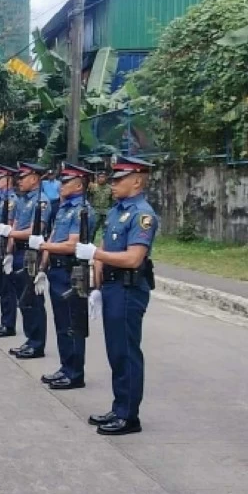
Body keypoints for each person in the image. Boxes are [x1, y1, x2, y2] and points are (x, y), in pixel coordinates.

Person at [75, 156, 159, 436]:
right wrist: (96, 287)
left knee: (126, 352)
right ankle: (119, 406)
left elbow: (134, 258)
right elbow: (103, 245)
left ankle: (129, 416)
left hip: (128, 288)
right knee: (115, 351)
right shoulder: (116, 211)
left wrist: (96, 255)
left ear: (136, 180)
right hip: (111, 288)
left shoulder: (142, 215)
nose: (112, 183)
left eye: (118, 179)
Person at [29, 163, 95, 390]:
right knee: (61, 323)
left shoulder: (82, 210)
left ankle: (76, 373)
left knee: (73, 324)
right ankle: (65, 367)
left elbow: (72, 245)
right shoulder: (64, 208)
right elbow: (55, 240)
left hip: (71, 271)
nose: (60, 185)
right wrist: (42, 269)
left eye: (65, 182)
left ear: (78, 184)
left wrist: (44, 244)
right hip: (56, 270)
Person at [4, 162, 51, 360]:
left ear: (35, 178)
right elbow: (15, 225)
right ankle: (30, 339)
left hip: (31, 253)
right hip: (19, 253)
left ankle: (37, 344)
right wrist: (9, 251)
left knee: (32, 299)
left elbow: (35, 230)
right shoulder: (23, 200)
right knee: (23, 300)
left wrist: (11, 233)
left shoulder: (41, 202)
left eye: (23, 177)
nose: (19, 181)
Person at [0, 165, 20, 339]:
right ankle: (5, 321)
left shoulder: (12, 200)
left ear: (8, 181)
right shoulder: (2, 199)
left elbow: (10, 227)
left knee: (7, 288)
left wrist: (9, 252)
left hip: (6, 247)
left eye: (0, 179)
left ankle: (9, 324)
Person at [89, 171, 113, 238]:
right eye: (99, 177)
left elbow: (113, 200)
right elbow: (88, 197)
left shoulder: (110, 188)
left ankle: (105, 245)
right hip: (96, 211)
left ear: (106, 178)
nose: (101, 179)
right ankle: (90, 244)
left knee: (107, 230)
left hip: (106, 211)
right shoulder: (93, 187)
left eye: (103, 177)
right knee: (93, 229)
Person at [41, 168, 62, 232]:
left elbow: (60, 193)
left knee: (55, 219)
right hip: (46, 203)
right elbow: (38, 182)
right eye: (49, 175)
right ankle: (47, 233)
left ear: (54, 175)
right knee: (47, 218)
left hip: (55, 203)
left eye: (52, 174)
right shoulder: (44, 182)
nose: (50, 176)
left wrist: (61, 203)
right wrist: (44, 176)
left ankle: (55, 233)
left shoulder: (58, 183)